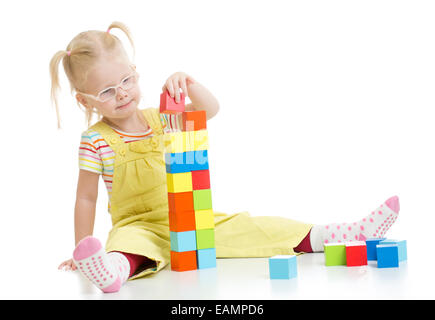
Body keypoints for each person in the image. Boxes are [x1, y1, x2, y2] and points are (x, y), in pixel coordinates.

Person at [50, 21, 400, 293]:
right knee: (129, 246)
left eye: (127, 79)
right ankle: (110, 272)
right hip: (137, 226)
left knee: (253, 226)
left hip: (191, 217)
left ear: (136, 71)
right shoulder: (95, 140)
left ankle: (344, 233)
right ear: (85, 100)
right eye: (107, 91)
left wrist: (187, 82)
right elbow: (86, 197)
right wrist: (81, 247)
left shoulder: (161, 118)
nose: (122, 93)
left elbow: (210, 109)